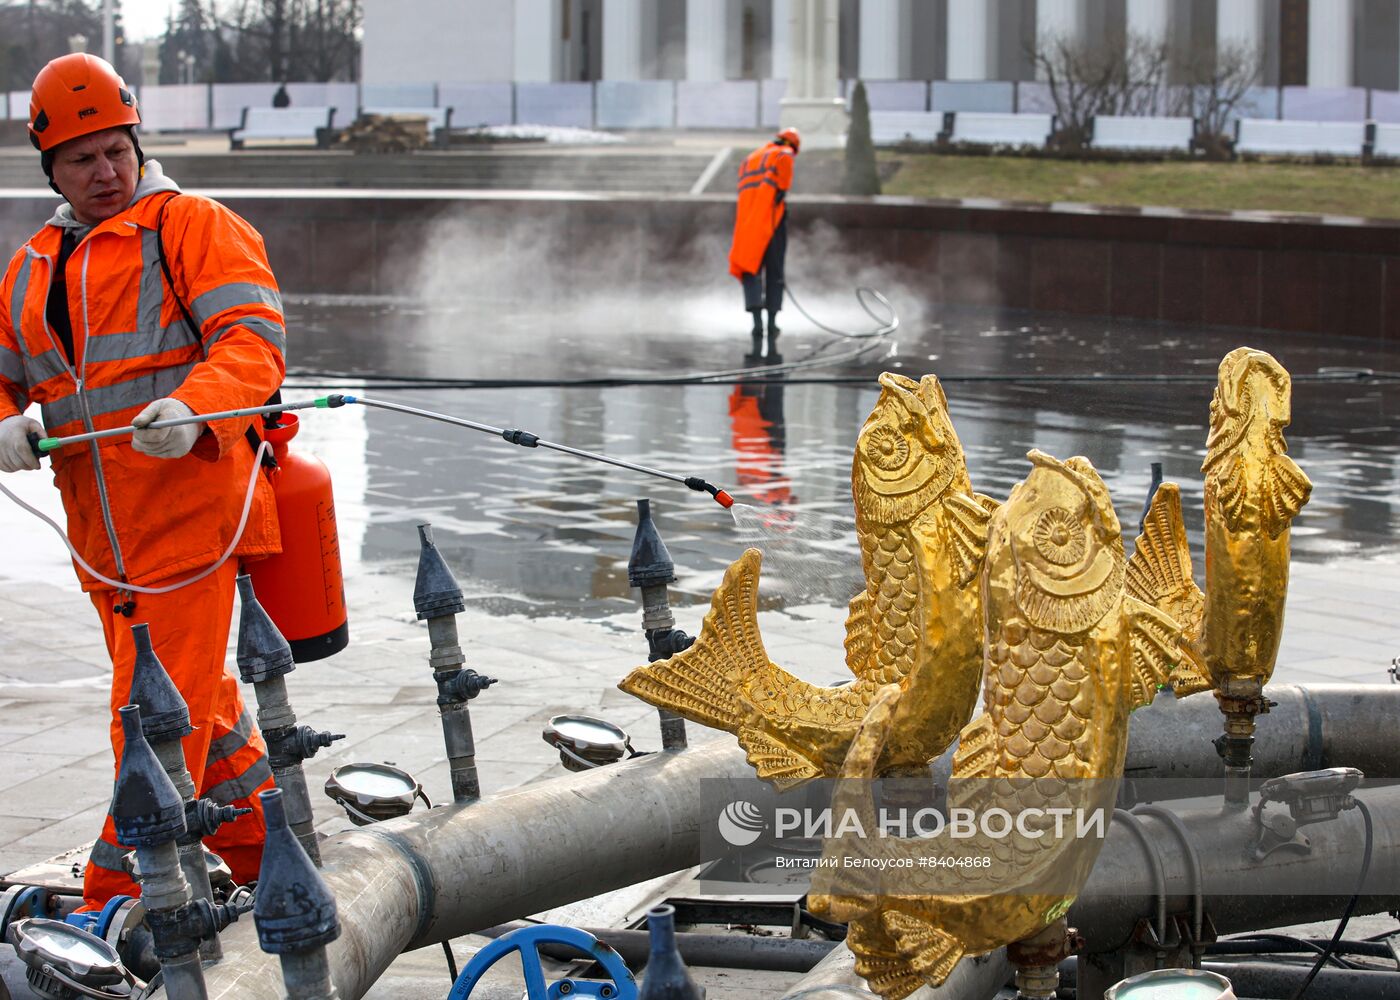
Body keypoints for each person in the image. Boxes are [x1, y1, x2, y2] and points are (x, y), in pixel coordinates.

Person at [0, 54, 285, 909]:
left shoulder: (192, 226)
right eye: (82, 157)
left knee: (154, 716)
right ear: (50, 167)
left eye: (115, 149)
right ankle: (265, 842)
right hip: (104, 542)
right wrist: (6, 421)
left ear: (136, 143)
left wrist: (197, 406)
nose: (104, 170)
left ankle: (119, 903)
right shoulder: (31, 267)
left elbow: (253, 342)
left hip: (195, 522)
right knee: (202, 709)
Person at [728, 126, 799, 364]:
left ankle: (756, 324)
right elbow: (784, 173)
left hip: (748, 223)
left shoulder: (751, 158)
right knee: (775, 271)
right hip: (771, 221)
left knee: (751, 269)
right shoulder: (784, 153)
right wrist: (782, 191)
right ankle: (771, 324)